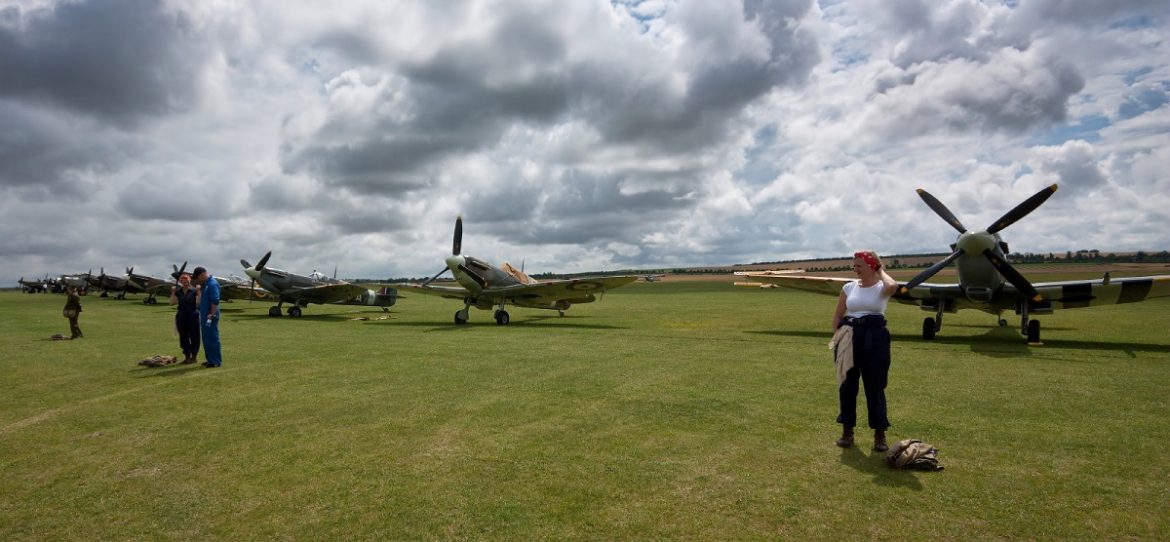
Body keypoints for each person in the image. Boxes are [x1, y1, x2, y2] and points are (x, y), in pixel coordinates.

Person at [831, 250, 898, 451]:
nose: (855, 269)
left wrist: (880, 270)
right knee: (847, 385)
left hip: (875, 338)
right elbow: (837, 315)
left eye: (859, 265)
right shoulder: (848, 287)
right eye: (854, 265)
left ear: (871, 266)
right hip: (848, 337)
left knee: (875, 386)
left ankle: (879, 435)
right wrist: (837, 338)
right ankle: (847, 431)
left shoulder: (881, 287)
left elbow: (893, 286)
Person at [192, 267, 222, 368]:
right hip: (205, 315)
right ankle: (209, 359)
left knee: (212, 337)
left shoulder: (212, 284)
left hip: (210, 316)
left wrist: (212, 314)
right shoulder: (206, 285)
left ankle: (215, 361)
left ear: (202, 274)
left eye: (198, 278)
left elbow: (215, 300)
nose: (198, 280)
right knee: (206, 338)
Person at [169, 272, 201, 364]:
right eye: (183, 281)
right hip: (181, 316)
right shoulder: (178, 292)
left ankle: (194, 357)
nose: (185, 282)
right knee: (183, 336)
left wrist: (199, 291)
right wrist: (173, 292)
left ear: (190, 280)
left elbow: (199, 302)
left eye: (186, 280)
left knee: (194, 336)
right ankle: (187, 356)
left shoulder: (194, 291)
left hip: (193, 315)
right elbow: (172, 302)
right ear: (180, 282)